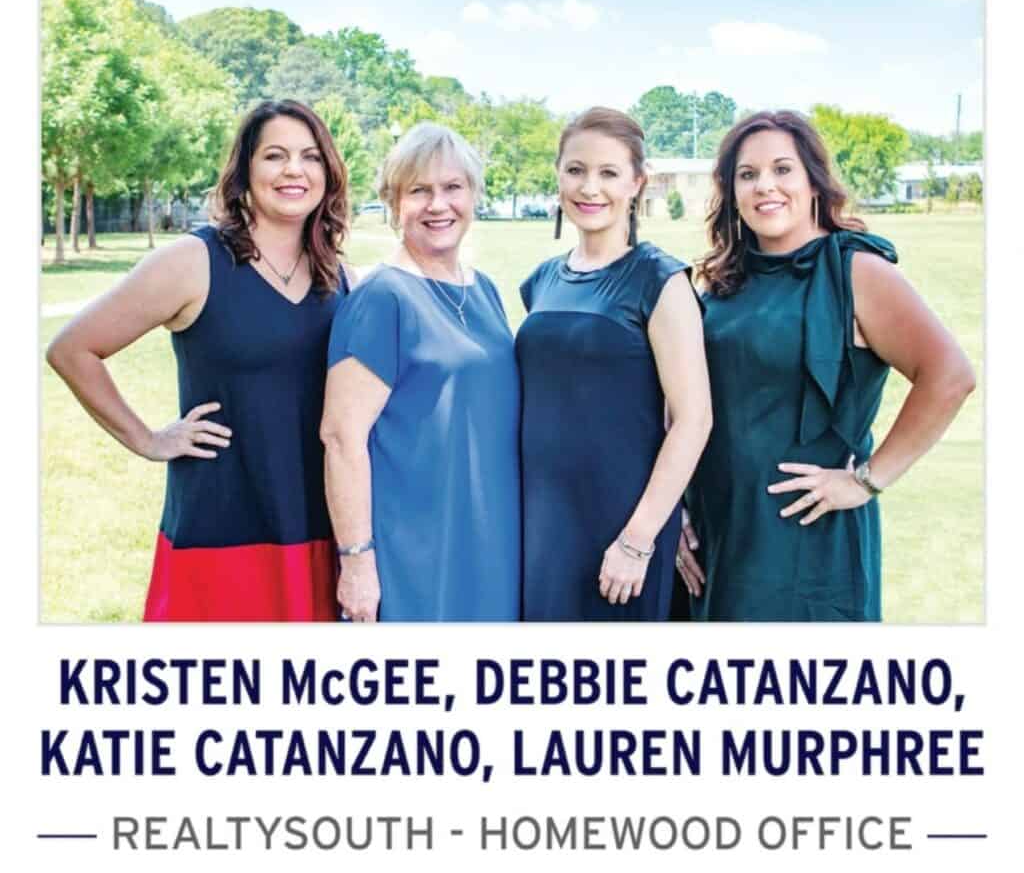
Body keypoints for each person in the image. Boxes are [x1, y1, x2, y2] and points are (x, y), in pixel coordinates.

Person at [46, 100, 353, 621]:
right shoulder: (194, 260)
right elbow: (72, 349)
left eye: (310, 156)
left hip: (319, 526)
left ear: (328, 172)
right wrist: (147, 439)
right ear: (245, 170)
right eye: (274, 156)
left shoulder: (338, 275)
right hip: (221, 528)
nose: (294, 170)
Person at [678, 110, 976, 621]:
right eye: (747, 175)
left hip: (806, 538)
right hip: (716, 532)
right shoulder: (723, 282)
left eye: (782, 169)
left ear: (813, 181)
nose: (764, 186)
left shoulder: (855, 271)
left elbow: (950, 376)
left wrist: (865, 481)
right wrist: (676, 505)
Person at [516, 107, 712, 621]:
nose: (590, 187)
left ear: (636, 183)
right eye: (575, 170)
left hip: (623, 529)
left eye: (609, 173)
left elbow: (693, 420)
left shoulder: (660, 280)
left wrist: (638, 540)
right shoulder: (542, 281)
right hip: (542, 525)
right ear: (558, 175)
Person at [320, 123, 520, 622]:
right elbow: (341, 438)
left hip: (489, 539)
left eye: (453, 187)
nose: (438, 205)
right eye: (419, 190)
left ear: (473, 195)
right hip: (414, 549)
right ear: (393, 202)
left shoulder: (485, 290)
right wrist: (356, 562)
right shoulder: (380, 298)